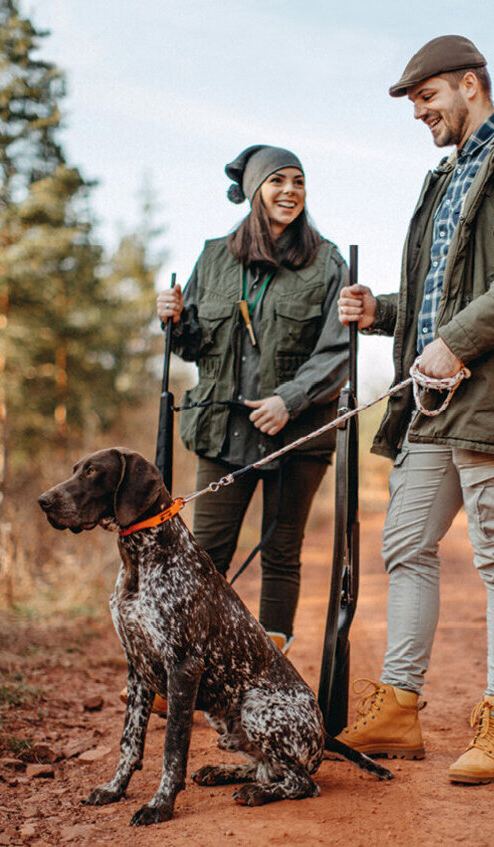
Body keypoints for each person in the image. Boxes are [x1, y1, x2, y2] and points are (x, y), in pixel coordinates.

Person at [334, 35, 494, 784]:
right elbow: (443, 297)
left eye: (426, 97)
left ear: (470, 84)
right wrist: (381, 309)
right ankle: (400, 706)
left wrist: (456, 341)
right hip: (435, 402)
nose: (420, 112)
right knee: (405, 542)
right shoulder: (444, 179)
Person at [157, 144, 349, 655]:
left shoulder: (328, 260)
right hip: (222, 431)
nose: (290, 192)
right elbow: (195, 348)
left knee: (282, 553)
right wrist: (175, 321)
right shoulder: (214, 257)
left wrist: (289, 400)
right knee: (205, 556)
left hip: (298, 434)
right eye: (277, 182)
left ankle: (263, 673)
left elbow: (337, 350)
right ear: (254, 191)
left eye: (298, 182)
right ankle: (186, 668)